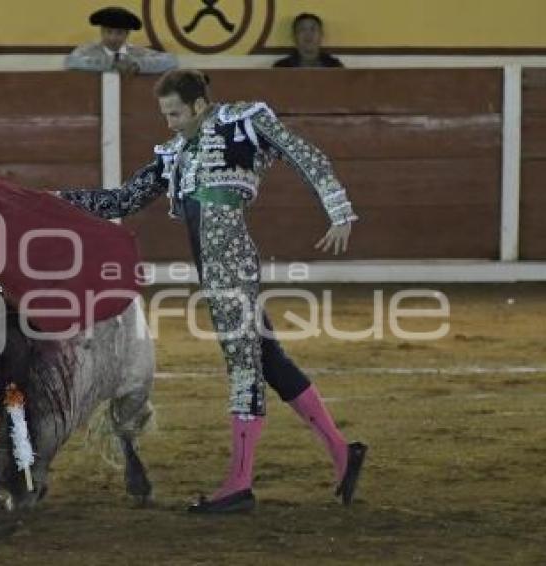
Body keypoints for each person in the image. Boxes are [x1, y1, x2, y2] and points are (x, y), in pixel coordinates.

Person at [56, 69, 366, 513]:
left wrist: (339, 210)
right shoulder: (176, 152)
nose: (170, 123)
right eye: (165, 114)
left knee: (243, 362)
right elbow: (123, 200)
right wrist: (58, 200)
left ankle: (239, 484)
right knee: (268, 359)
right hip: (211, 260)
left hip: (229, 256)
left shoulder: (243, 121)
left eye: (175, 112)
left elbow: (302, 152)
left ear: (199, 105)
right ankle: (342, 451)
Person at [65, 6, 178, 75]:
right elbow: (71, 61)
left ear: (127, 34)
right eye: (108, 32)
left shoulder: (136, 52)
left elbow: (171, 60)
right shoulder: (89, 50)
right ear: (101, 31)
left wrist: (137, 65)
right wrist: (111, 63)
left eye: (119, 33)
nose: (112, 38)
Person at [273, 13, 343, 68]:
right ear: (294, 36)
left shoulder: (334, 65)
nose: (308, 34)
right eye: (302, 29)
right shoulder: (282, 67)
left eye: (313, 29)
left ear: (321, 35)